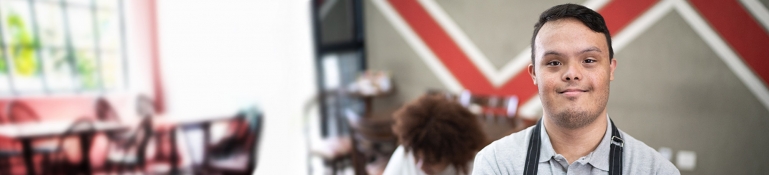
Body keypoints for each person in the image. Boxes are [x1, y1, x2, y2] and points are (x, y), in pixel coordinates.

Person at [472, 4, 679, 175]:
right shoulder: (496, 164)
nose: (572, 73)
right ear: (534, 73)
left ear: (610, 70)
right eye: (554, 63)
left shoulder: (656, 170)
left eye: (589, 60)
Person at [383, 93, 487, 175]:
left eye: (431, 161)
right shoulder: (405, 153)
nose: (421, 166)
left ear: (454, 155)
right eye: (417, 157)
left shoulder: (474, 168)